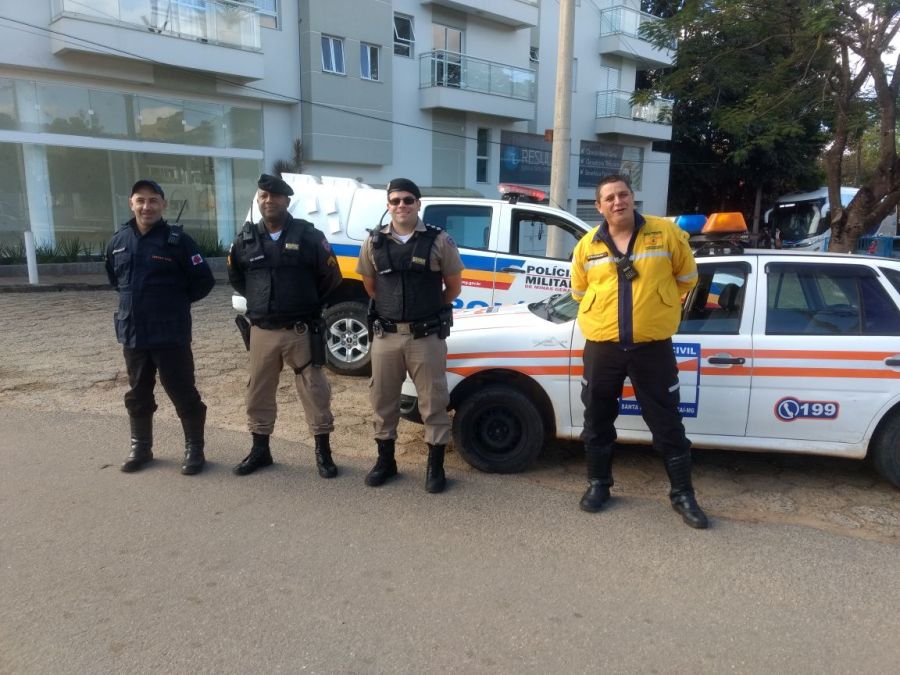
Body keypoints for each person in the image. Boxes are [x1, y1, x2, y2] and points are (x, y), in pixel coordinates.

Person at [571, 175, 709, 528]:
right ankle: (598, 484)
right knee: (597, 419)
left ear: (633, 198)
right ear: (599, 207)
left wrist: (657, 304)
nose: (618, 201)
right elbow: (579, 293)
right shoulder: (587, 245)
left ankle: (683, 494)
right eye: (610, 198)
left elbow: (687, 277)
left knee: (667, 422)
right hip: (603, 347)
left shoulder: (665, 233)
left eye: (623, 194)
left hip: (652, 347)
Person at [227, 174, 342, 477]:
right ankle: (260, 450)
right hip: (262, 330)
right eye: (263, 196)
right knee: (258, 391)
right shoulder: (245, 239)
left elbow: (331, 277)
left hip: (300, 330)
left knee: (315, 390)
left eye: (275, 196)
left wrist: (305, 303)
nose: (269, 201)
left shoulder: (309, 236)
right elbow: (237, 277)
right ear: (258, 200)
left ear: (287, 200)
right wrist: (262, 302)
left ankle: (323, 452)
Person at [356, 178, 464, 493]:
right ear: (388, 206)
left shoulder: (439, 240)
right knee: (383, 400)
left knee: (433, 401)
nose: (401, 205)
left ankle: (435, 467)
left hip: (425, 337)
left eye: (407, 200)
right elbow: (371, 286)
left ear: (418, 204)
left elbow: (453, 288)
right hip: (386, 337)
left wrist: (425, 309)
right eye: (395, 201)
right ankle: (385, 462)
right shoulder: (373, 242)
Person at [105, 179, 215, 475]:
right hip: (134, 334)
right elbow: (116, 280)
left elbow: (204, 281)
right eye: (140, 200)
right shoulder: (118, 241)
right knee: (138, 393)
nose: (147, 206)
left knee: (182, 392)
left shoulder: (178, 241)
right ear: (131, 203)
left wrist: (174, 303)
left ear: (163, 205)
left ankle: (194, 450)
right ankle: (141, 448)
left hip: (170, 333)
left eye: (153, 200)